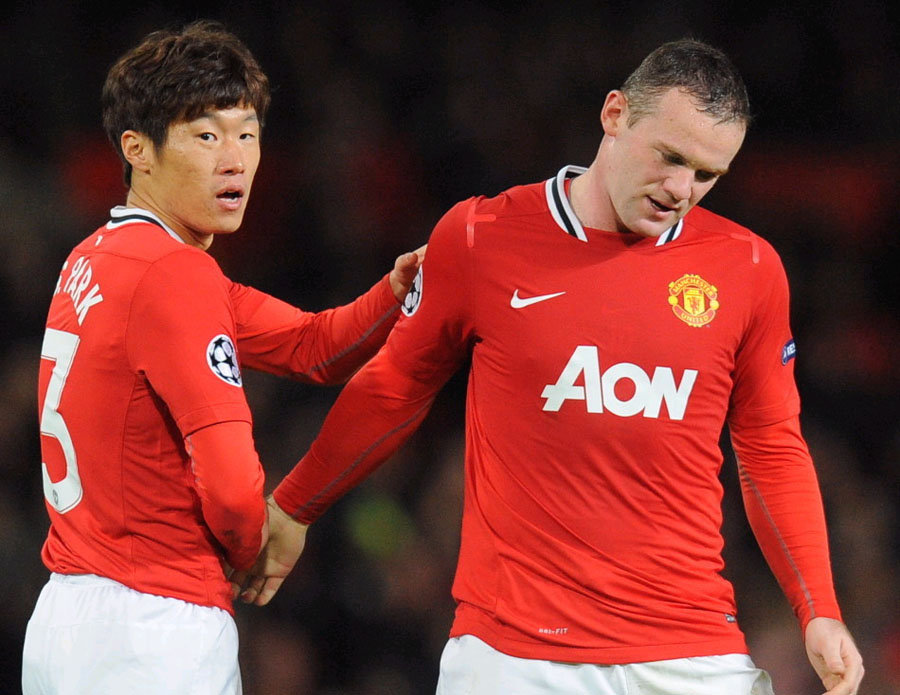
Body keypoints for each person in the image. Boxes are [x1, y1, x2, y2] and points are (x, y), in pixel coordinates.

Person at [234, 39, 865, 695]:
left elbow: (770, 444)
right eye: (671, 157)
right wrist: (295, 506)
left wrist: (818, 609)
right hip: (514, 656)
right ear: (615, 114)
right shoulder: (481, 236)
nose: (682, 190)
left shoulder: (749, 268)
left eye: (707, 175)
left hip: (691, 650)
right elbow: (396, 385)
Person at [22, 19, 422, 695]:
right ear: (137, 149)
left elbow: (315, 346)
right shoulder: (175, 275)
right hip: (153, 628)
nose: (234, 159)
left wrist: (395, 289)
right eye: (207, 136)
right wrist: (253, 547)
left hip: (69, 617)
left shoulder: (96, 257)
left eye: (247, 134)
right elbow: (235, 493)